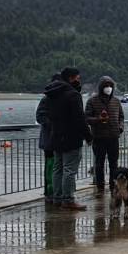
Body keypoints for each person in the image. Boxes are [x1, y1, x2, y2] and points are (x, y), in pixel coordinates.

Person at [46, 67, 93, 211]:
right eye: (78, 79)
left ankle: (57, 197)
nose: (79, 81)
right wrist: (88, 136)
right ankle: (68, 199)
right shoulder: (73, 95)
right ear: (71, 78)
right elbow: (80, 118)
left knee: (57, 168)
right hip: (71, 137)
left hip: (56, 136)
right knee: (69, 170)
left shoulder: (52, 94)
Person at [84, 76, 124, 192]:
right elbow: (86, 118)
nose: (108, 88)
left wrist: (120, 127)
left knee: (114, 163)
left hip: (113, 137)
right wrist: (98, 119)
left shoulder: (116, 101)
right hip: (99, 137)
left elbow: (121, 116)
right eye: (106, 86)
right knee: (99, 163)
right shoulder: (92, 101)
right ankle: (100, 186)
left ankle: (113, 185)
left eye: (110, 86)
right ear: (101, 87)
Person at [36, 73, 61, 203]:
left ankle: (57, 191)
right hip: (48, 140)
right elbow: (39, 117)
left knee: (58, 167)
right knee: (50, 167)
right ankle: (49, 192)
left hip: (60, 140)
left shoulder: (62, 98)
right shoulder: (46, 99)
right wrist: (53, 125)